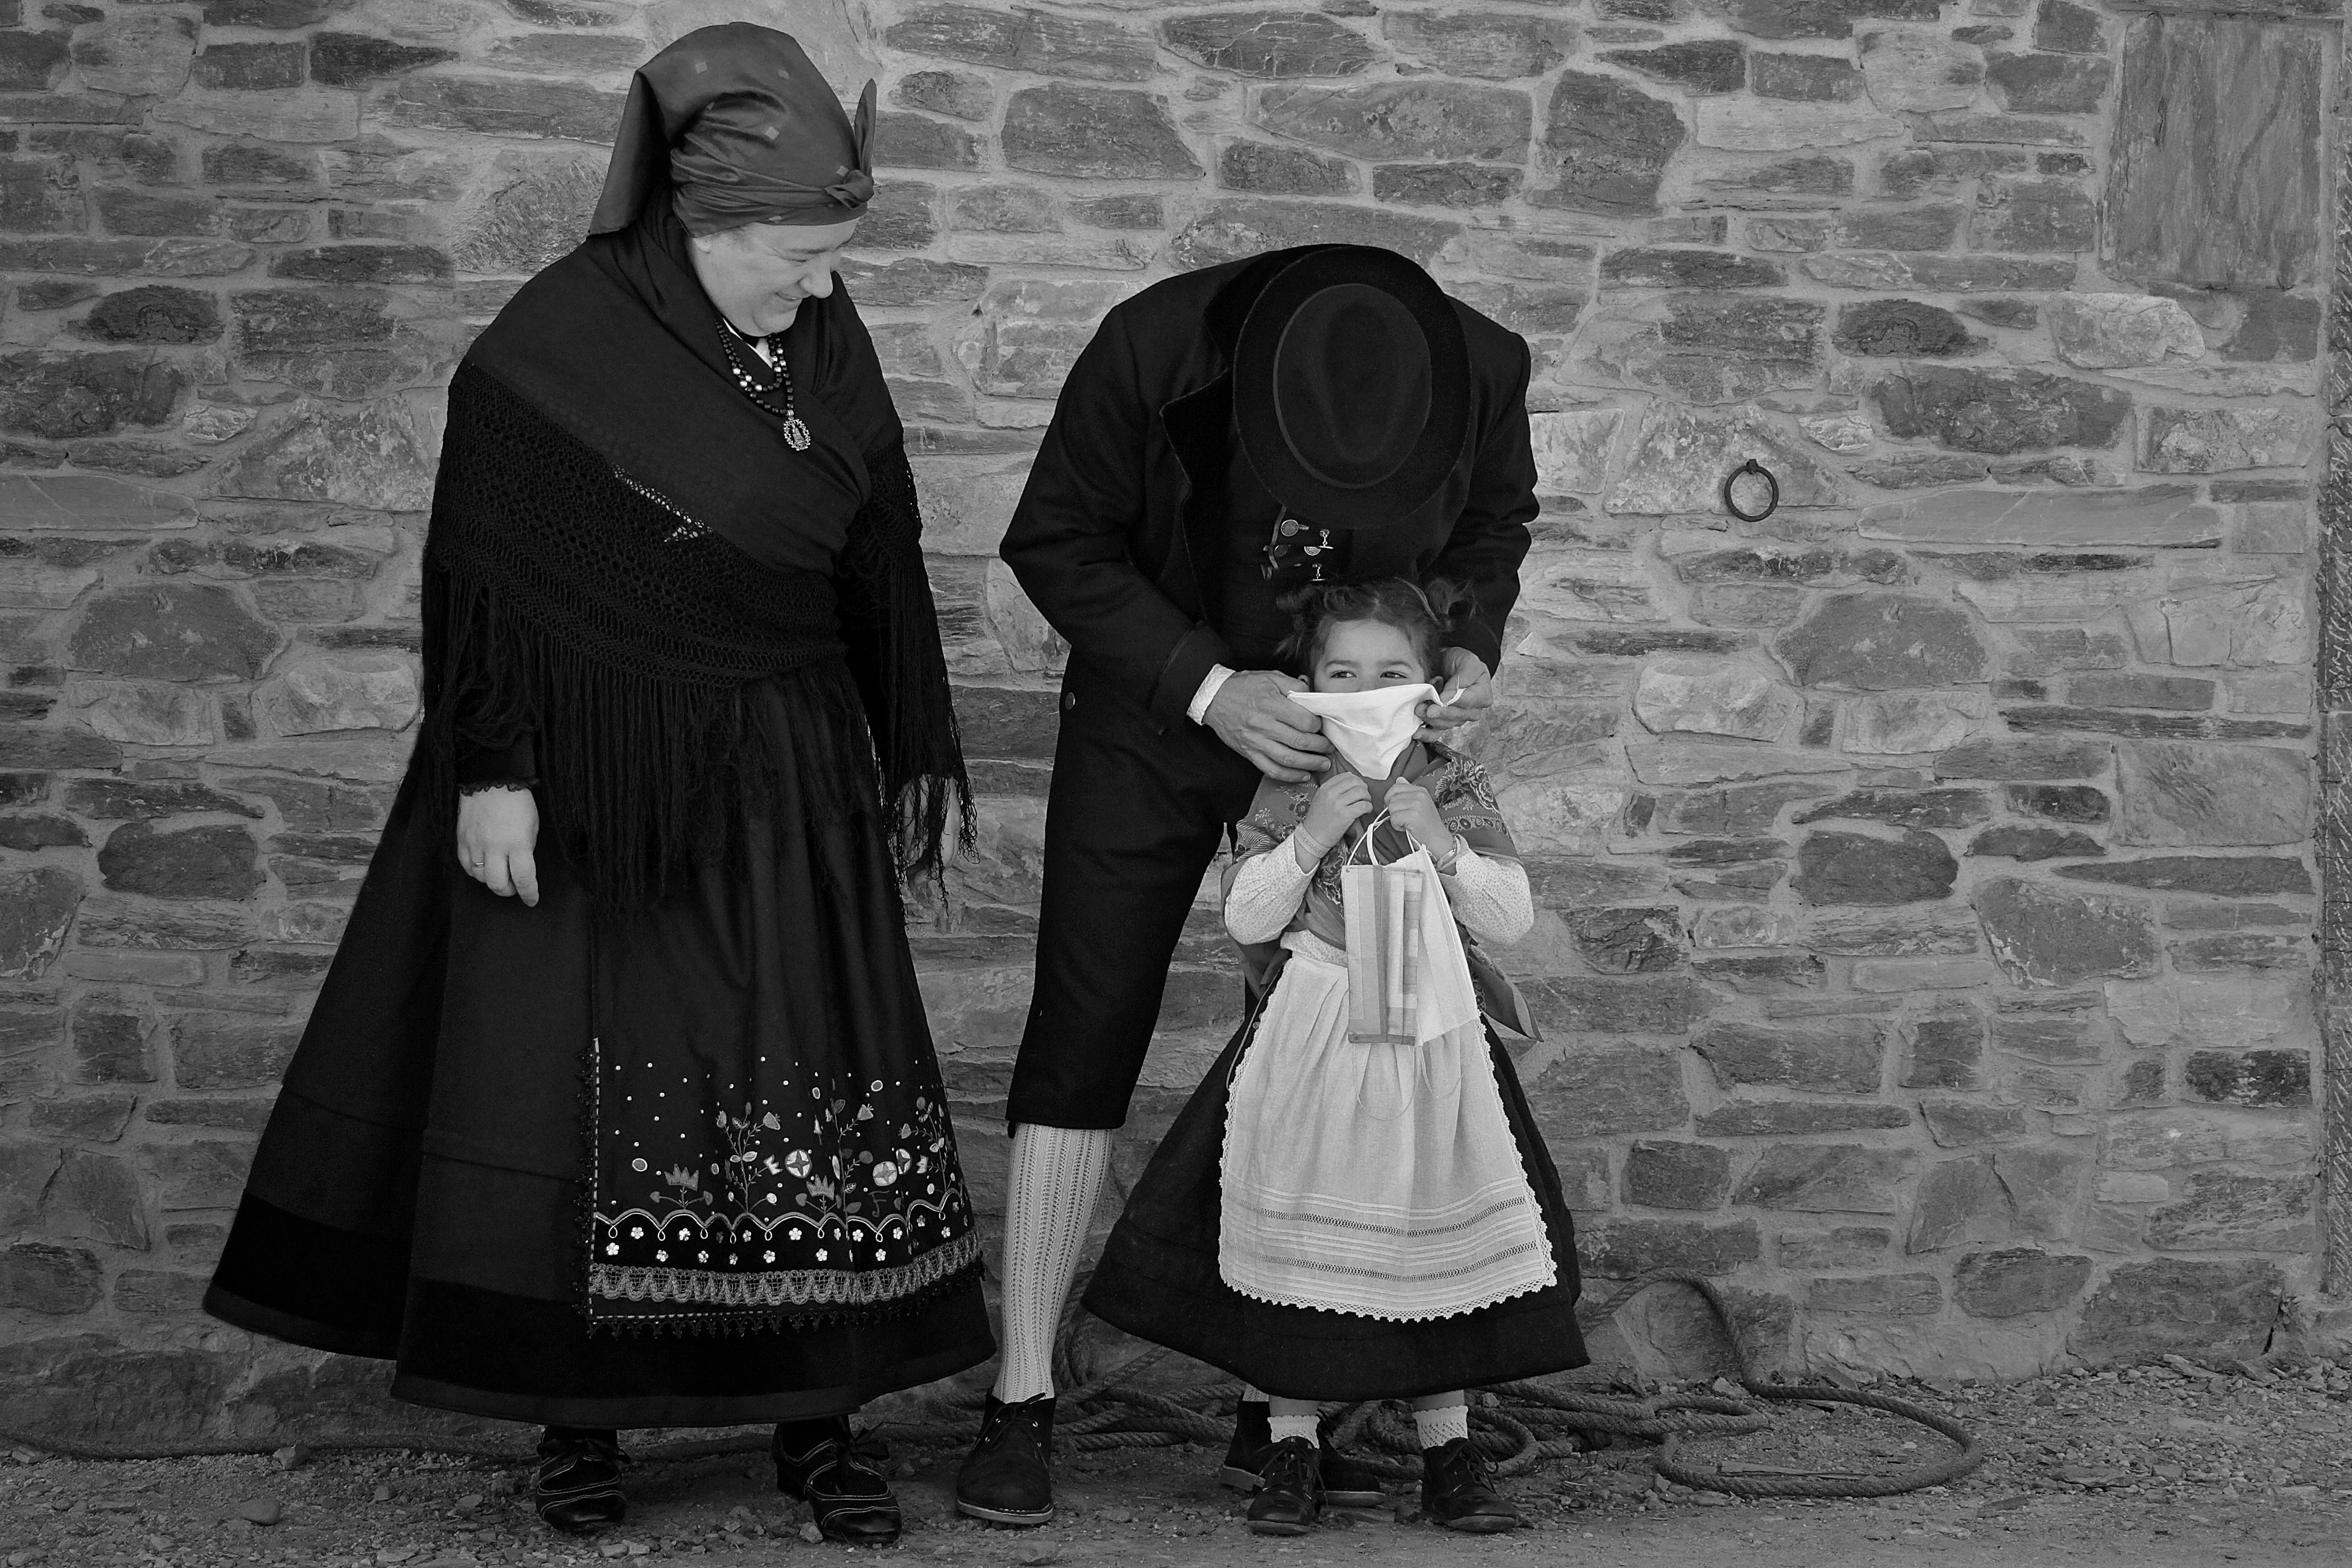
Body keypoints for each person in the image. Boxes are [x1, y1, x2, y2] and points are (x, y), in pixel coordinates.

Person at [202, 25, 992, 1543]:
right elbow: (483, 579)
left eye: (834, 258)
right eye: (795, 254)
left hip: (788, 775)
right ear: (702, 216)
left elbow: (879, 555)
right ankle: (580, 1421)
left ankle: (817, 1421)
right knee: (594, 1091)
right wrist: (491, 772)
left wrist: (909, 765)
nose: (818, 287)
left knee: (794, 1086)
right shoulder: (553, 344)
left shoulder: (827, 338)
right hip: (593, 785)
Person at [960, 244, 1540, 1525]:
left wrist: (1470, 649)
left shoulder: (1488, 364)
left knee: (1342, 1035)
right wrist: (1214, 690)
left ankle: (1292, 1398)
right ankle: (1020, 1400)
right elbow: (1054, 537)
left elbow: (1495, 530)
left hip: (1362, 734)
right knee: (1088, 1023)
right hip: (1155, 716)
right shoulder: (1146, 347)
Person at [1082, 578, 1587, 1534]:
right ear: (1310, 684)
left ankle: (1449, 1450)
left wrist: (1443, 848)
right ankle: (1292, 1449)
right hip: (1315, 1019)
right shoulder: (1293, 785)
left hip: (1429, 1028)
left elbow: (1510, 919)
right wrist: (1313, 833)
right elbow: (1246, 916)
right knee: (1304, 1230)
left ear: (1428, 684)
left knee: (1423, 1217)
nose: (1364, 688)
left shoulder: (1452, 784)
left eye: (1389, 672)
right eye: (1341, 672)